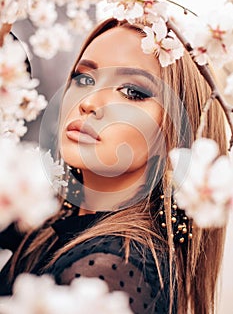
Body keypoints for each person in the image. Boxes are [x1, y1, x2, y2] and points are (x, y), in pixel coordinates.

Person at [0, 18, 227, 314]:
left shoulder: (114, 268)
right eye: (83, 78)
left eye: (133, 91)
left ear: (174, 136)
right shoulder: (50, 219)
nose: (89, 102)